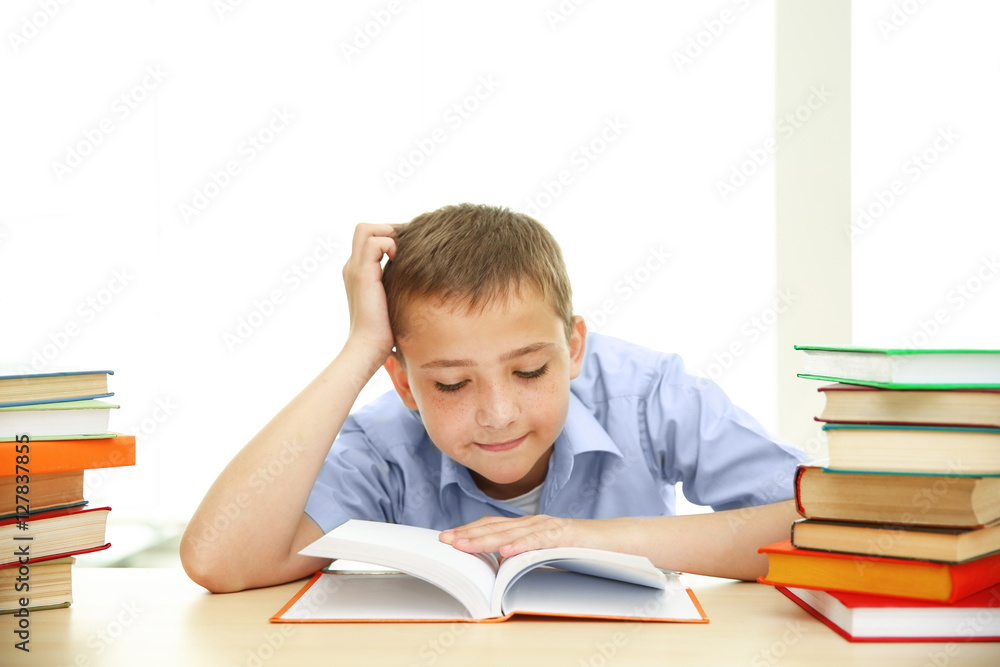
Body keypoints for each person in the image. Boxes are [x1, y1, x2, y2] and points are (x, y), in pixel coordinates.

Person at [180, 204, 806, 593]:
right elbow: (219, 562)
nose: (498, 413)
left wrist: (590, 538)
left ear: (574, 348)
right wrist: (362, 349)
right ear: (404, 384)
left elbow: (826, 524)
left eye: (531, 370)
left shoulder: (647, 396)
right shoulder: (385, 445)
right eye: (450, 384)